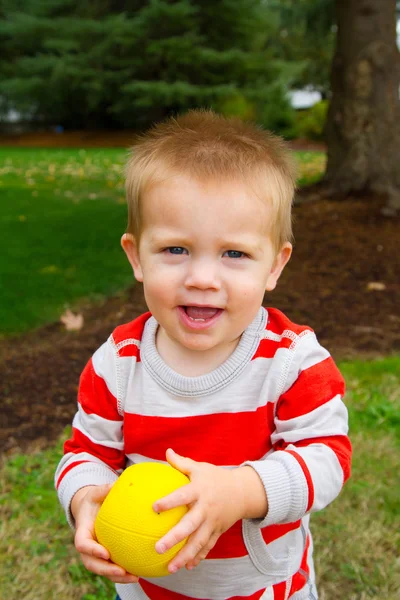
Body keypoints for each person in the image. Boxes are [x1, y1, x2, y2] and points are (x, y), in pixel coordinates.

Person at [55, 109, 352, 600]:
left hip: (261, 585)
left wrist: (242, 490)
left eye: (234, 254)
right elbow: (86, 453)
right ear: (136, 256)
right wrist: (86, 499)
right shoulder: (117, 364)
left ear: (275, 265)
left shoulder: (292, 361)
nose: (202, 278)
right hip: (148, 585)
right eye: (175, 249)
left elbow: (326, 459)